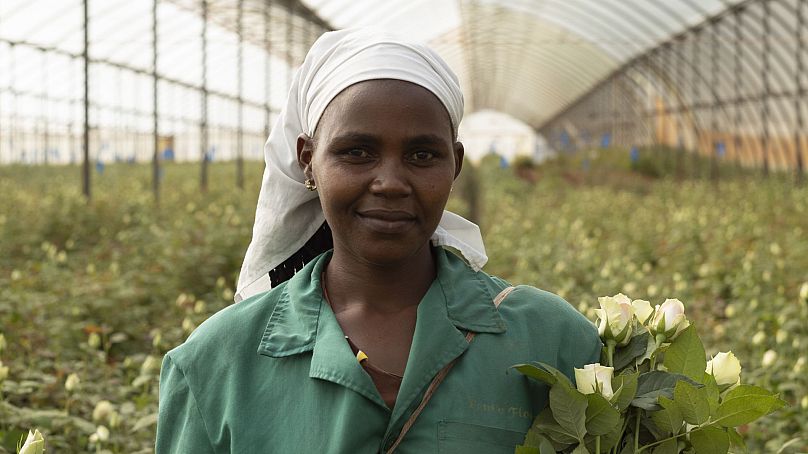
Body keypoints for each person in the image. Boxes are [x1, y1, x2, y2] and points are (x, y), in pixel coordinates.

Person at [156, 28, 601, 453]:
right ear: (308, 161)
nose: (389, 182)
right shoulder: (216, 363)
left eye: (422, 155)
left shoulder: (554, 341)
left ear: (456, 164)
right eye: (357, 152)